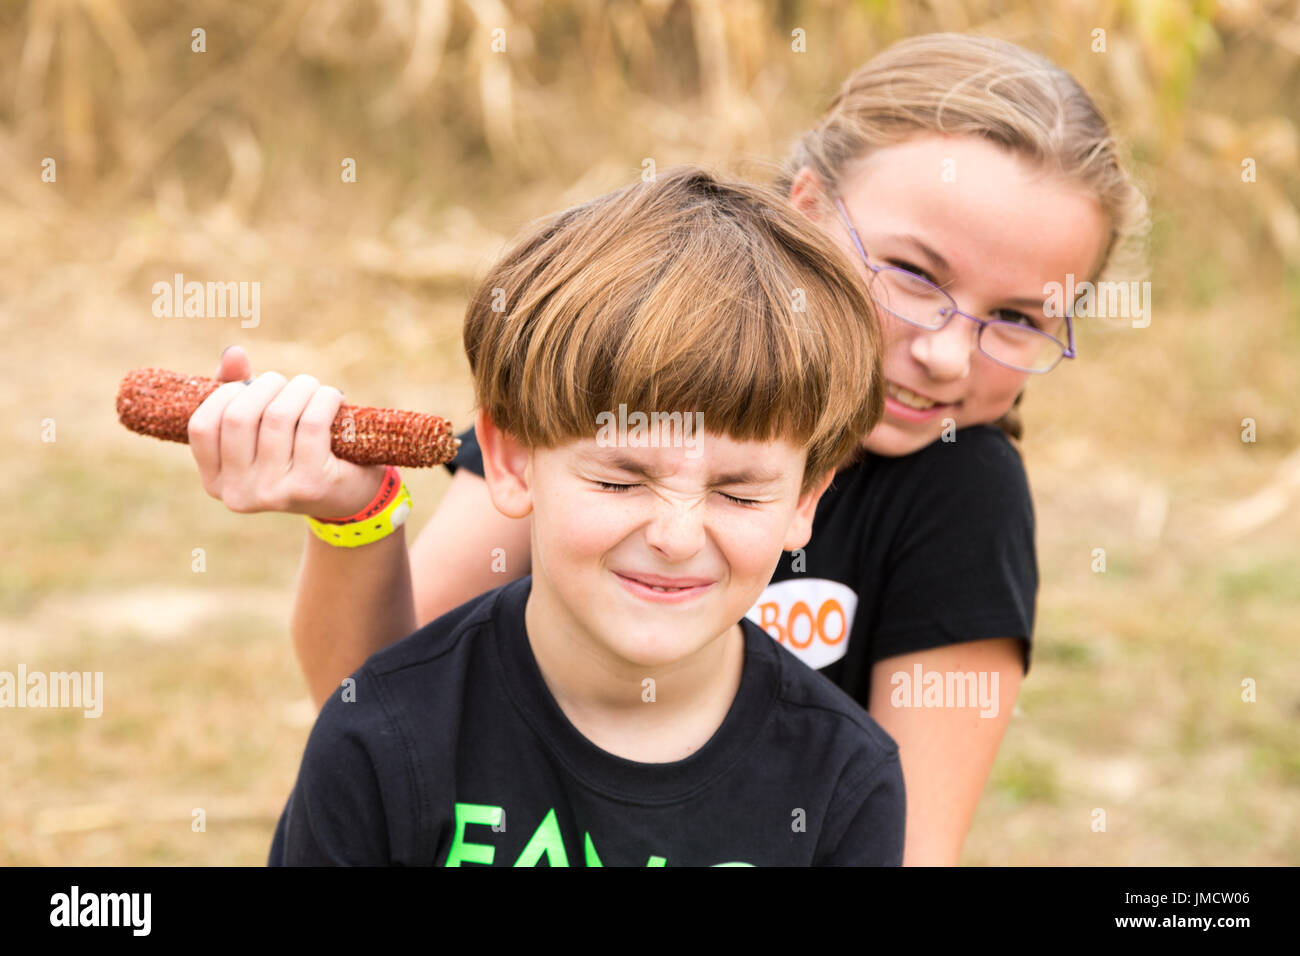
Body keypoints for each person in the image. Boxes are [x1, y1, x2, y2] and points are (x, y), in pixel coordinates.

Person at [191, 33, 1147, 864]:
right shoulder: (643, 357)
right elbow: (379, 695)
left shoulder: (962, 494)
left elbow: (907, 851)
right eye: (910, 272)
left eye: (1018, 318)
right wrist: (354, 519)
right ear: (807, 207)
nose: (944, 351)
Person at [267, 167, 904, 865]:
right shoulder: (379, 733)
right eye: (621, 480)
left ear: (805, 500)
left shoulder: (846, 778)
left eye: (740, 493)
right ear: (510, 461)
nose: (677, 536)